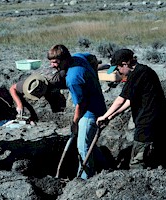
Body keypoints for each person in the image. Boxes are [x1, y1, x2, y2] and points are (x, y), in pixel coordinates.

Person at [96, 48, 166, 169]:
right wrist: (111, 116)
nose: (119, 73)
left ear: (125, 64)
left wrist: (103, 116)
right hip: (149, 119)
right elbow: (129, 100)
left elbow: (120, 100)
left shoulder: (138, 74)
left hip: (147, 121)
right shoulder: (141, 72)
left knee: (137, 163)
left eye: (118, 69)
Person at [47, 44, 108, 179]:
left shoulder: (73, 79)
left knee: (83, 148)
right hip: (99, 104)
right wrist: (93, 80)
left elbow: (81, 105)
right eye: (51, 62)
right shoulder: (78, 57)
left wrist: (75, 123)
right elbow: (92, 58)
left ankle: (85, 180)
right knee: (89, 141)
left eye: (55, 62)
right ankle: (105, 166)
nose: (52, 66)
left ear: (64, 60)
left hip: (90, 114)